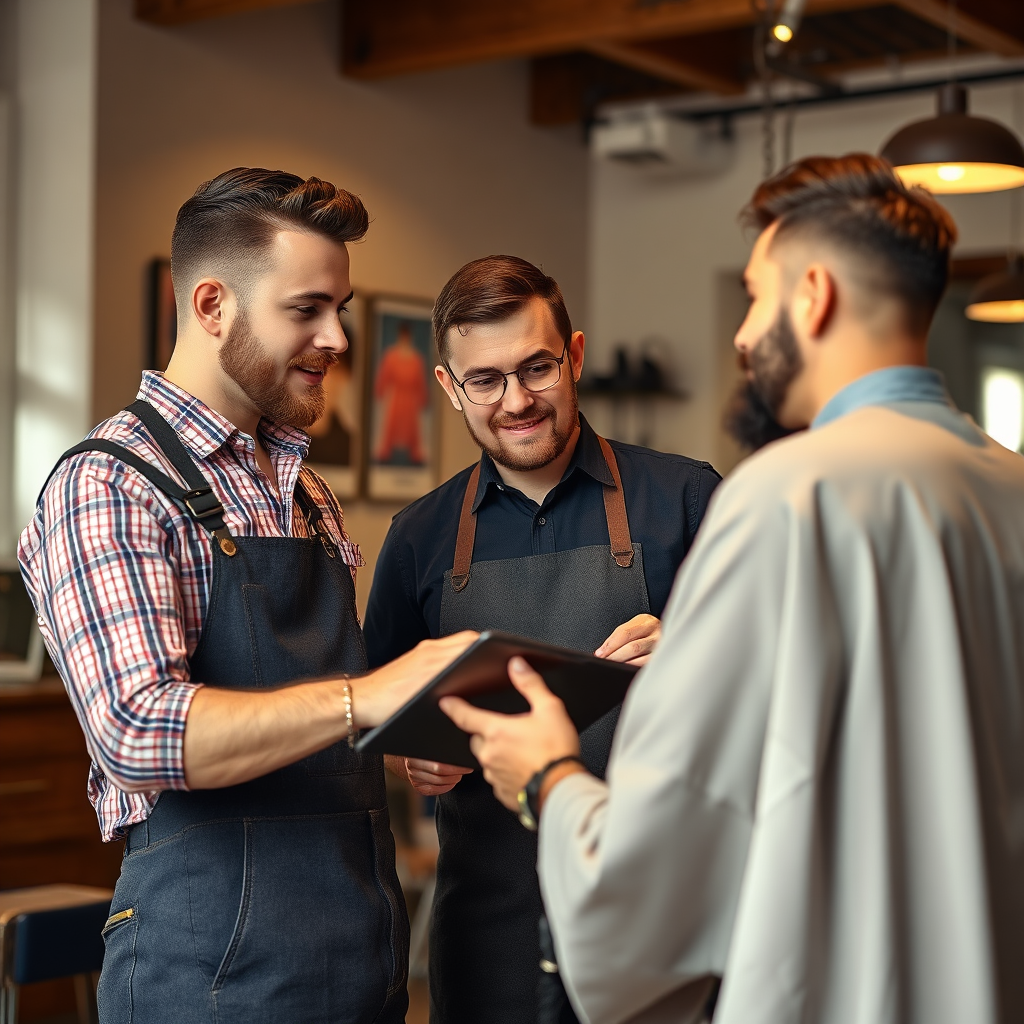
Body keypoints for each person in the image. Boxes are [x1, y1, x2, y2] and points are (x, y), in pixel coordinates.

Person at [443, 155, 1024, 1024]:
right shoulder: (1008, 486)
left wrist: (547, 775)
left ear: (814, 294)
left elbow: (658, 868)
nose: (745, 334)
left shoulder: (787, 495)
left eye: (757, 295)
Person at [18, 167, 474, 1024]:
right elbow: (136, 731)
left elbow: (331, 724)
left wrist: (410, 736)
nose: (338, 337)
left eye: (340, 308)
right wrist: (364, 697)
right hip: (208, 977)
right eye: (306, 310)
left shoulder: (305, 489)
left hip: (362, 957)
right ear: (211, 305)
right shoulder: (110, 485)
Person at [362, 255, 721, 1024]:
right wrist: (410, 754)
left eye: (537, 368)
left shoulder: (689, 498)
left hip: (659, 915)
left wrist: (697, 656)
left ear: (577, 356)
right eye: (485, 380)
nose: (517, 401)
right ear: (449, 388)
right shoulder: (418, 538)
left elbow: (778, 690)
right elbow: (374, 717)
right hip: (489, 931)